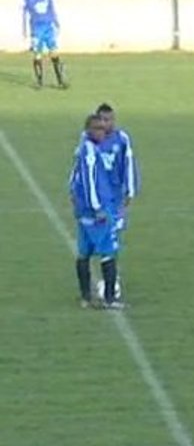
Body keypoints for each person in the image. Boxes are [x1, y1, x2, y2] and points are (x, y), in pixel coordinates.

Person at [70, 114, 123, 310]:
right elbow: (90, 181)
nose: (103, 132)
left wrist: (73, 195)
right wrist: (97, 208)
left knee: (84, 253)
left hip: (83, 211)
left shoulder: (81, 148)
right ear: (89, 130)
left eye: (103, 128)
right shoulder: (90, 151)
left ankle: (85, 297)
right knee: (108, 251)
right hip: (95, 211)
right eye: (98, 128)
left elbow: (74, 177)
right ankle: (110, 299)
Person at [94, 103, 139, 300]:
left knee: (112, 239)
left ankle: (111, 280)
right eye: (103, 119)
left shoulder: (122, 139)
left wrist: (129, 194)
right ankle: (108, 278)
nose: (107, 123)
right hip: (96, 200)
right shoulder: (91, 140)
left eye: (110, 119)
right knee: (98, 240)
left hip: (115, 199)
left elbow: (128, 165)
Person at [22, 0, 67, 89]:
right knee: (37, 54)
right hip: (37, 28)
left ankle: (60, 81)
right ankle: (39, 81)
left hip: (48, 26)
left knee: (54, 52)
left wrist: (56, 22)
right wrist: (25, 29)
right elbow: (25, 13)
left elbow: (52, 8)